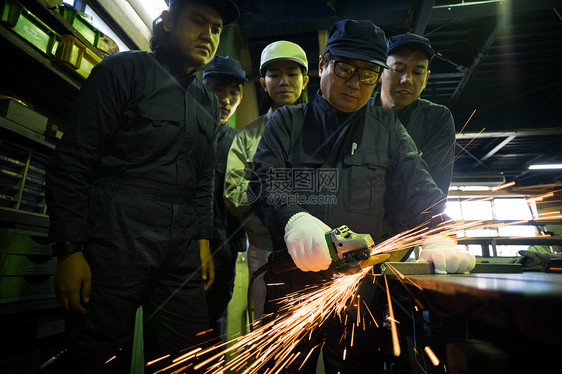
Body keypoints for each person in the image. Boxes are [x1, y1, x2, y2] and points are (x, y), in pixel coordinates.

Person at [248, 19, 475, 373]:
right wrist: (294, 221)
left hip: (360, 289)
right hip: (292, 284)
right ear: (323, 63)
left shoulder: (387, 128)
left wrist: (437, 231)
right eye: (345, 68)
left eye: (369, 73)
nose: (355, 83)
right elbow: (263, 181)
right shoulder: (288, 122)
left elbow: (418, 184)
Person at [45, 0, 239, 372]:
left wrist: (201, 241)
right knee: (96, 353)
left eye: (215, 29)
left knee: (185, 357)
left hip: (181, 244)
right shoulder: (123, 71)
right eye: (198, 21)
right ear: (167, 22)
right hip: (117, 234)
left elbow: (202, 180)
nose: (208, 35)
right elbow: (72, 161)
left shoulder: (205, 102)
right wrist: (68, 250)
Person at [223, 40, 309, 324]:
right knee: (268, 328)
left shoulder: (327, 131)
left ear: (305, 80)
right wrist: (270, 193)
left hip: (316, 249)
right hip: (265, 251)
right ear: (262, 82)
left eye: (292, 73)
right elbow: (234, 196)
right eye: (274, 74)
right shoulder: (247, 137)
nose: (283, 81)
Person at [201, 55, 248, 343]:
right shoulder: (185, 131)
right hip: (181, 249)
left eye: (234, 93)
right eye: (218, 89)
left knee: (211, 330)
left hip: (223, 252)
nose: (226, 99)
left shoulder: (239, 144)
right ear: (201, 86)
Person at [376, 32, 455, 195]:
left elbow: (433, 186)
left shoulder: (437, 118)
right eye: (398, 69)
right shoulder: (358, 112)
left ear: (426, 79)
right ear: (379, 72)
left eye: (418, 73)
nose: (407, 79)